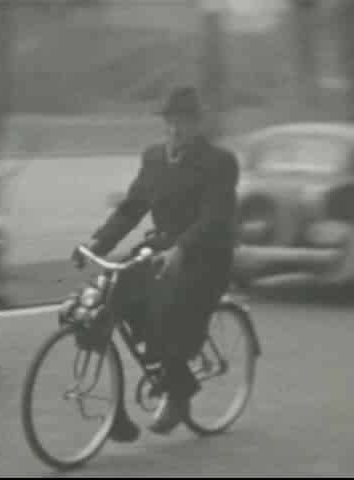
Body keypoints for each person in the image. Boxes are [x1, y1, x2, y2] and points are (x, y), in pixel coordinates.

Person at [72, 86, 240, 440]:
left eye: (185, 122)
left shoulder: (220, 162)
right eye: (171, 121)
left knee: (163, 313)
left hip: (206, 257)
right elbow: (132, 209)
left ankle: (179, 392)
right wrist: (97, 242)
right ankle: (115, 413)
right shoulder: (153, 159)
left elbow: (213, 217)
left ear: (198, 124)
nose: (176, 129)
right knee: (111, 298)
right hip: (162, 248)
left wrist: (181, 249)